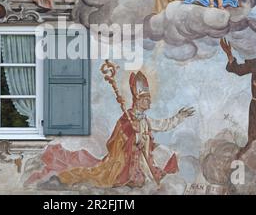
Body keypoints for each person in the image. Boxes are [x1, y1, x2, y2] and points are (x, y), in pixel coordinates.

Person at [57, 71, 195, 188]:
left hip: (147, 153)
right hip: (132, 157)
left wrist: (179, 116)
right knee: (140, 181)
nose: (150, 103)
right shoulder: (127, 118)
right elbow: (117, 139)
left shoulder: (144, 118)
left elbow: (163, 125)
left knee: (168, 154)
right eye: (147, 100)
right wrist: (135, 139)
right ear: (138, 100)